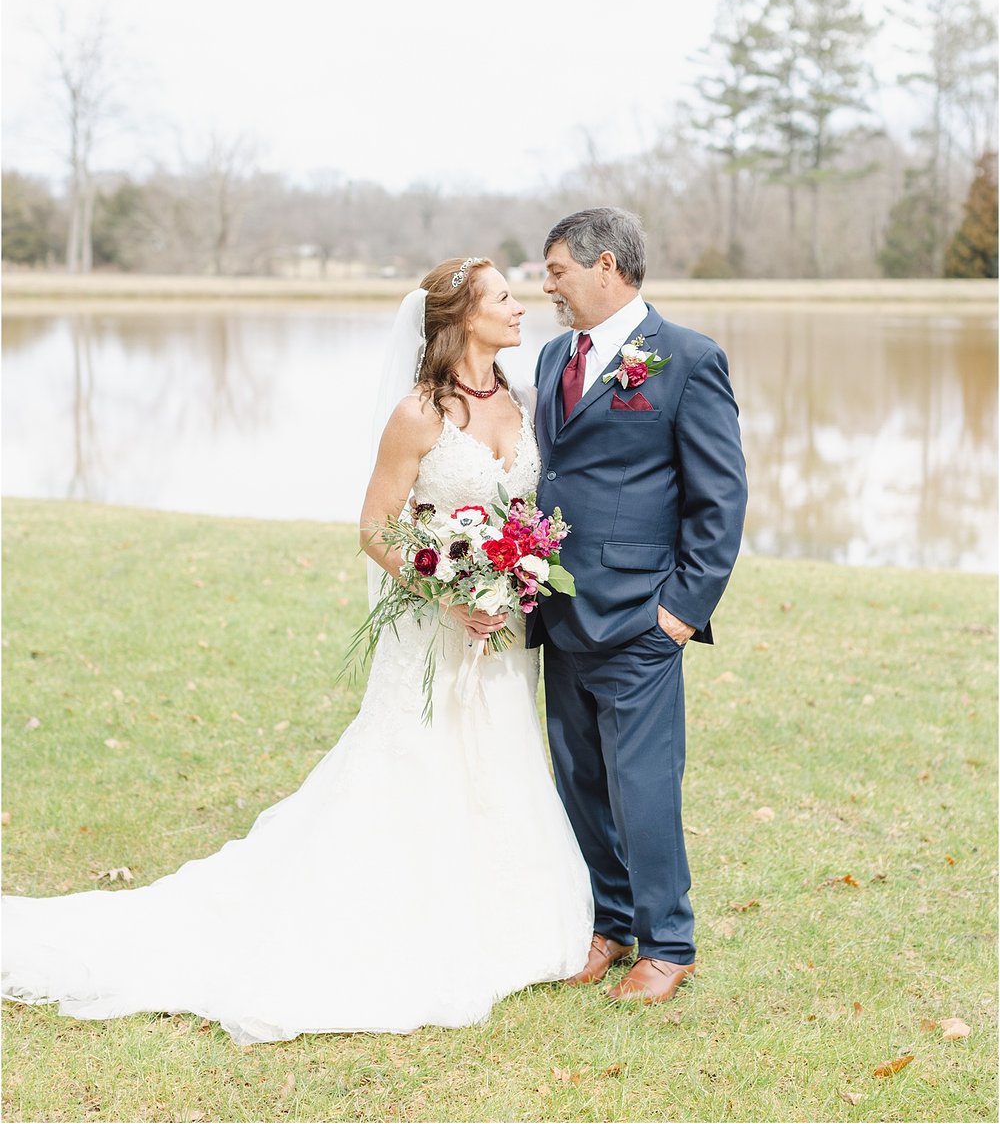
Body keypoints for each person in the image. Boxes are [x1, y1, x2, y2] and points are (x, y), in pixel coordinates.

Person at [2, 257, 592, 1044]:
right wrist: (447, 591)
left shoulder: (520, 402)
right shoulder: (419, 413)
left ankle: (505, 915)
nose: (523, 308)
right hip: (435, 629)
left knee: (500, 756)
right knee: (421, 765)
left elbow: (524, 509)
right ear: (460, 318)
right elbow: (377, 528)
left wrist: (511, 573)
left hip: (505, 634)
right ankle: (402, 922)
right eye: (505, 299)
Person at [529, 208, 747, 1003]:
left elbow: (719, 499)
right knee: (580, 774)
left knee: (643, 781)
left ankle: (668, 940)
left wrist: (680, 612)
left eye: (556, 269)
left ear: (607, 266)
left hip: (641, 616)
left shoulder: (687, 359)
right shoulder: (555, 354)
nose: (546, 284)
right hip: (558, 610)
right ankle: (612, 921)